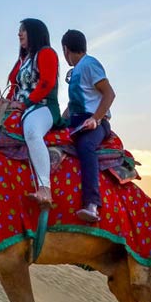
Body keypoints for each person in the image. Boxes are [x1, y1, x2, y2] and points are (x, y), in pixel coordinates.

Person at [4, 18, 63, 206]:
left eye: (24, 30)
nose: (19, 34)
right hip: (22, 109)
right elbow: (15, 88)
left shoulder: (46, 54)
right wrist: (5, 102)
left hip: (43, 107)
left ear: (35, 33)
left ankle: (45, 188)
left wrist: (26, 103)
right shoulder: (23, 61)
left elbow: (47, 83)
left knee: (32, 132)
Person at [61, 29, 115, 222]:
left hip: (95, 123)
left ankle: (92, 204)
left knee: (86, 146)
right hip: (76, 121)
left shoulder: (90, 64)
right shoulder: (76, 71)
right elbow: (73, 104)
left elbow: (109, 93)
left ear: (66, 49)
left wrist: (96, 118)